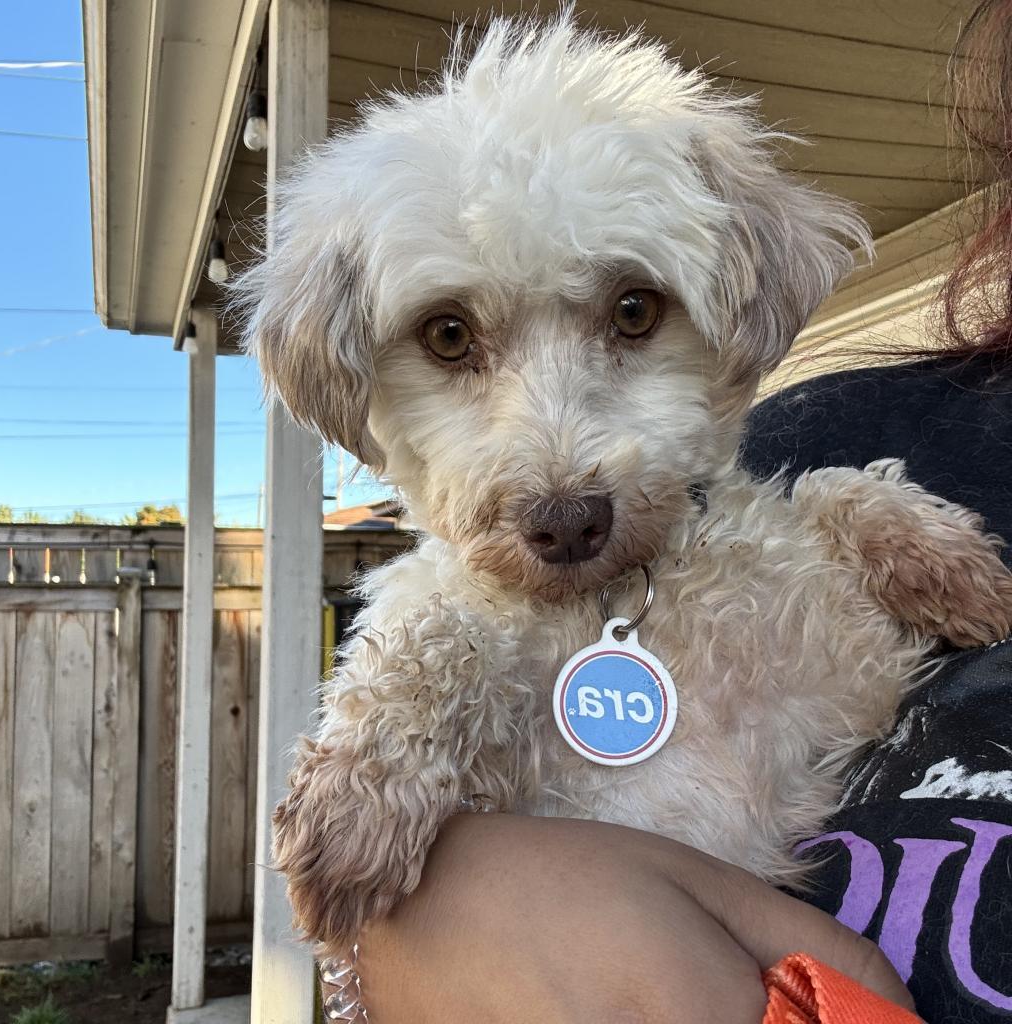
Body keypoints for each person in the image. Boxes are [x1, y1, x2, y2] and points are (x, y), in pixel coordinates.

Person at [354, 3, 1012, 1021]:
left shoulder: (810, 497)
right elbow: (370, 927)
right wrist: (399, 949)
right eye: (451, 338)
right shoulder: (832, 432)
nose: (559, 471)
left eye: (630, 312)